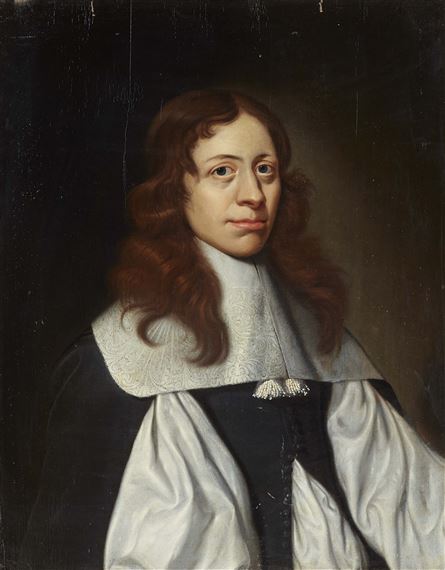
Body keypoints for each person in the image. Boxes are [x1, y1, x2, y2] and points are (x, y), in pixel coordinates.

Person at [20, 89, 444, 570]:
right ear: (175, 189)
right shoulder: (116, 359)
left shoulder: (319, 335)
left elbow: (414, 508)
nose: (253, 195)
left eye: (265, 170)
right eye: (223, 171)